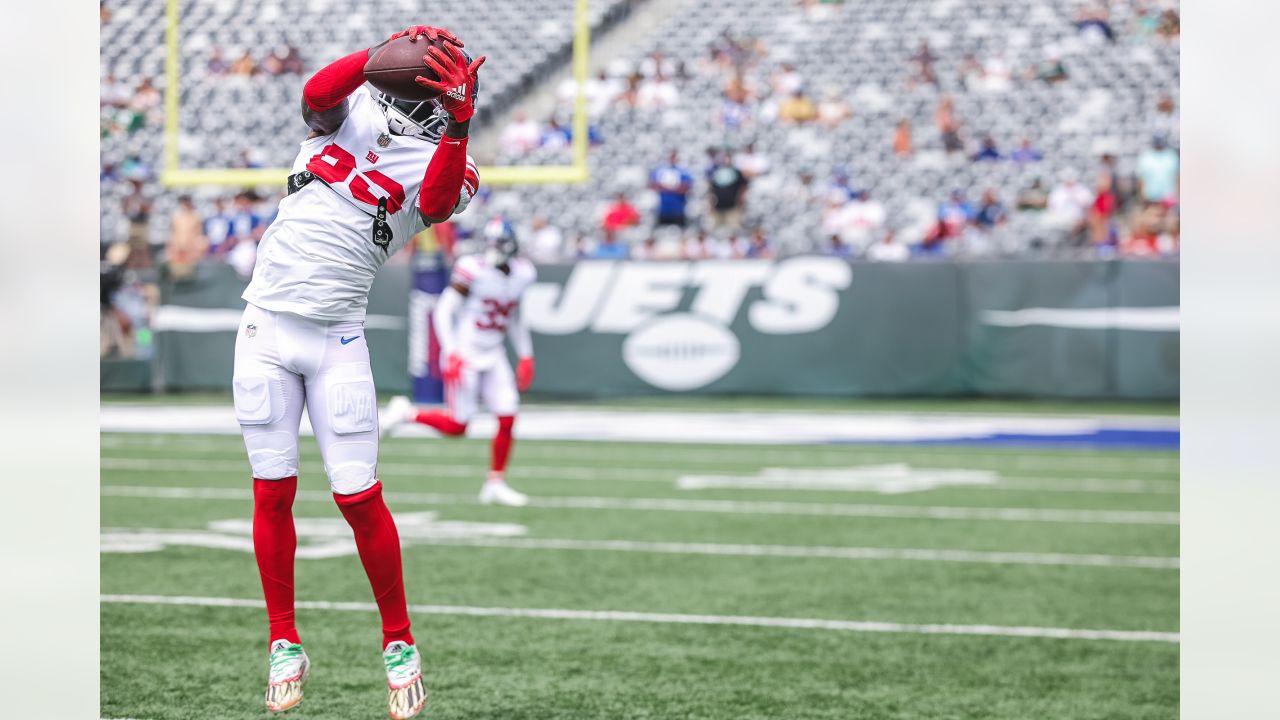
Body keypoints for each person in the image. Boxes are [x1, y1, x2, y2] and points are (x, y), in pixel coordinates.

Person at [233, 25, 482, 719]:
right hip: (264, 328)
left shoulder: (451, 161)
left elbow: (432, 203)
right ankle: (284, 639)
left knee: (356, 495)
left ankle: (398, 642)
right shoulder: (351, 107)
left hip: (337, 335)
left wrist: (458, 124)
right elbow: (316, 92)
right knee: (271, 491)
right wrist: (374, 57)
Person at [385, 218, 536, 508]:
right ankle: (407, 414)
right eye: (491, 243)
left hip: (494, 354)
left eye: (500, 243)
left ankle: (495, 482)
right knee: (457, 425)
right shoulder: (473, 270)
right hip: (466, 353)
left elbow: (516, 317)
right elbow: (444, 310)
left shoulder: (522, 273)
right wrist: (452, 351)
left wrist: (526, 355)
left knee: (507, 415)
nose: (495, 249)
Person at [706, 149, 749, 233]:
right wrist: (711, 204)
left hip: (733, 207)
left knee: (734, 230)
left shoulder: (737, 172)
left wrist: (741, 201)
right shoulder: (716, 172)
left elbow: (743, 188)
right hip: (718, 206)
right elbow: (711, 189)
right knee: (715, 231)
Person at [166, 195, 207, 279]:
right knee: (176, 271)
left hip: (191, 250)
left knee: (190, 272)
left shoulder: (196, 216)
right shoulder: (176, 217)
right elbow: (173, 233)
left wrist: (197, 248)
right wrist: (172, 247)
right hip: (178, 250)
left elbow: (199, 234)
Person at [648, 151, 693, 226]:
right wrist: (673, 188)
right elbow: (653, 184)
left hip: (678, 208)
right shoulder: (661, 171)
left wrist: (666, 187)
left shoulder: (683, 171)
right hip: (663, 208)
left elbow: (686, 186)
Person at [1136, 136, 1179, 206]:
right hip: (1151, 197)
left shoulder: (1171, 155)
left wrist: (1177, 194)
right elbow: (1141, 179)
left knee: (1169, 216)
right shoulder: (1146, 156)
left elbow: (1177, 177)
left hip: (1168, 196)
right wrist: (1141, 196)